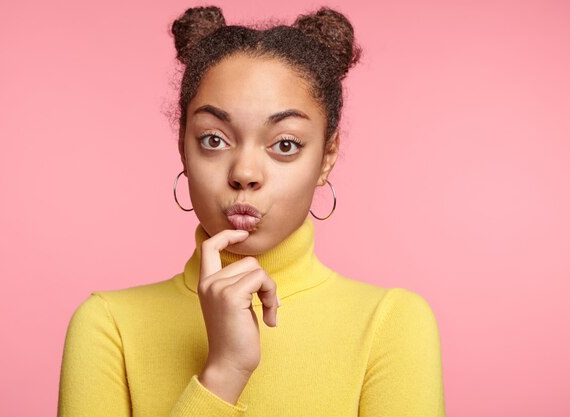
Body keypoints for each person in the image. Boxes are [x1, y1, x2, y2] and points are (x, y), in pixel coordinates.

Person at [57, 5, 446, 416]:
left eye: (284, 144)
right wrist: (224, 372)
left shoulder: (392, 324)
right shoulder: (108, 325)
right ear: (182, 148)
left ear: (327, 156)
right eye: (213, 139)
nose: (244, 173)